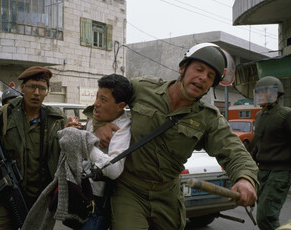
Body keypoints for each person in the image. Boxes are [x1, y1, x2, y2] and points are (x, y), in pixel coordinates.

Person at [96, 43, 259, 230]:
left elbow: (234, 151)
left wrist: (245, 178)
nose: (203, 78)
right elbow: (106, 97)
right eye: (199, 69)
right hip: (130, 190)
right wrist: (99, 125)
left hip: (168, 195)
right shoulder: (142, 89)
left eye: (210, 76)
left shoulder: (208, 118)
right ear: (182, 68)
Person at [0, 66, 67, 230]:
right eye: (31, 87)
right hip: (6, 193)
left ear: (47, 91)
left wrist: (72, 134)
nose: (36, 93)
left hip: (42, 198)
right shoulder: (5, 114)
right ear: (22, 88)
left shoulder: (56, 119)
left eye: (42, 88)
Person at [74, 74, 133, 230]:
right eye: (96, 97)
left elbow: (114, 170)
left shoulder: (123, 129)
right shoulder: (95, 120)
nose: (96, 104)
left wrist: (85, 143)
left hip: (99, 202)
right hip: (82, 194)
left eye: (103, 100)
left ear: (120, 106)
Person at [250, 76, 291, 230]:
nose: (260, 96)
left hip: (281, 172)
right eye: (258, 93)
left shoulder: (286, 114)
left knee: (266, 216)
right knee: (264, 216)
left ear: (277, 94)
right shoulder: (260, 116)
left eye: (264, 92)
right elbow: (257, 145)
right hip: (262, 171)